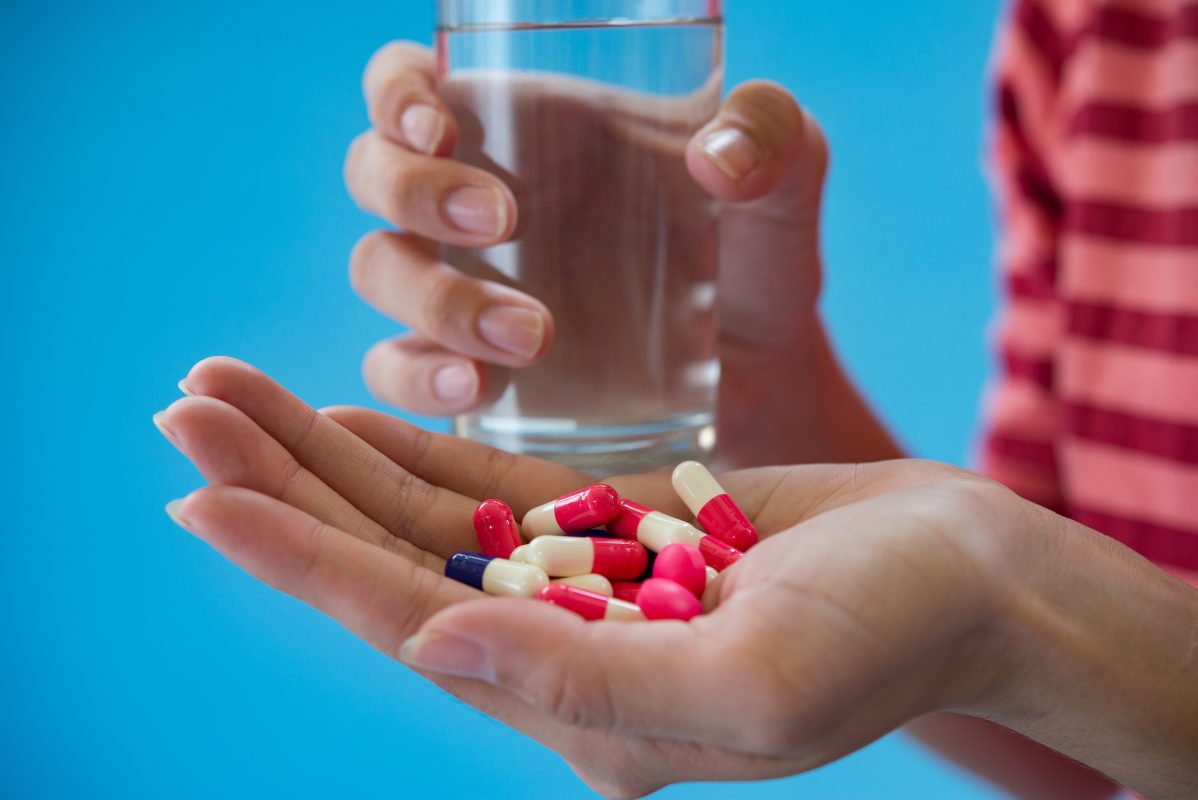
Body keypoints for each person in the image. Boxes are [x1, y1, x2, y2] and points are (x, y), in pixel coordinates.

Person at [153, 2, 1198, 797]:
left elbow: (1061, 626)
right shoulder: (1087, 29)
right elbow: (1078, 734)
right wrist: (755, 384)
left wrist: (1018, 616)